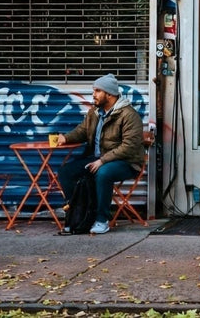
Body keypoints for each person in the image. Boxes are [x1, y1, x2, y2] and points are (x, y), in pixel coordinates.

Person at [54, 74, 145, 235]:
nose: (93, 94)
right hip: (96, 159)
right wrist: (65, 138)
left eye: (97, 91)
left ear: (109, 94)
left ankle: (102, 220)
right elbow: (82, 131)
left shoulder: (129, 115)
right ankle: (78, 215)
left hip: (126, 162)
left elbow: (129, 146)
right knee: (66, 172)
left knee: (103, 173)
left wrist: (102, 161)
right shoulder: (95, 113)